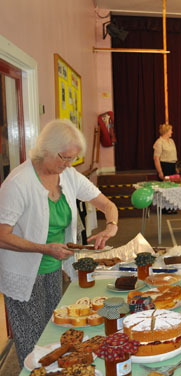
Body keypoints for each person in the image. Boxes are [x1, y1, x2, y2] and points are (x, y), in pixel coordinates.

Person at [0, 119, 119, 366]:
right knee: (33, 344)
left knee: (55, 335)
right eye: (64, 158)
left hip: (54, 268)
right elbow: (2, 235)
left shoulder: (69, 176)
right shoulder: (18, 183)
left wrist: (111, 226)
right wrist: (44, 248)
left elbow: (108, 205)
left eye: (72, 159)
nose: (68, 165)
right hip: (24, 274)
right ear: (46, 150)